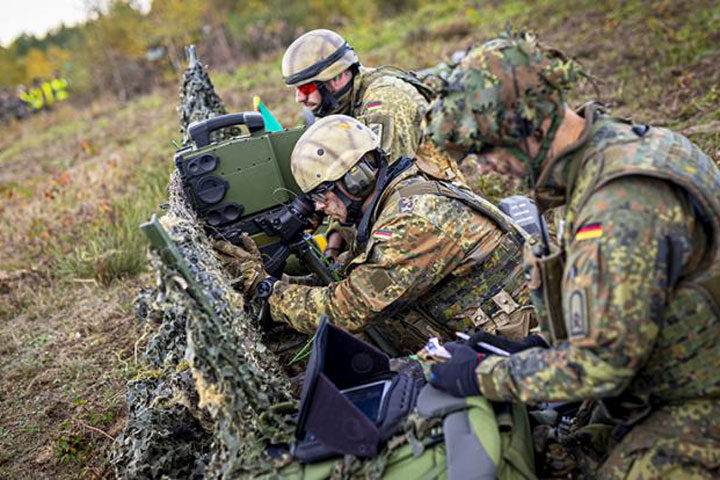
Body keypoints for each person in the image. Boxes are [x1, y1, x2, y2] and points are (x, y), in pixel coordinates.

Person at [425, 31, 720, 479]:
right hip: (669, 364)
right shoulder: (621, 145)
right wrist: (533, 346)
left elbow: (602, 366)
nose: (483, 166)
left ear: (531, 126)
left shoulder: (618, 206)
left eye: (485, 148)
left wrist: (482, 376)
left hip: (697, 394)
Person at [215, 115, 534, 355]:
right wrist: (284, 286)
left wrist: (264, 288)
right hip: (489, 333)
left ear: (355, 179)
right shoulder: (398, 193)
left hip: (524, 344)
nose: (323, 209)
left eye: (324, 195)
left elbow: (345, 309)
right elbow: (352, 286)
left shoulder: (411, 222)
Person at [282, 29, 464, 259]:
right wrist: (334, 240)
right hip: (413, 209)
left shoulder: (384, 103)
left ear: (337, 77)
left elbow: (373, 188)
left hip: (437, 213)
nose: (299, 98)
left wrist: (344, 258)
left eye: (306, 88)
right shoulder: (343, 104)